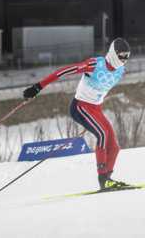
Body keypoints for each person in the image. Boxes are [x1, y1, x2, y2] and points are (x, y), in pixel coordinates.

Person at [23, 38, 131, 190]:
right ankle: (102, 179)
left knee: (114, 146)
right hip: (80, 106)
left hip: (95, 109)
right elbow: (64, 71)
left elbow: (101, 89)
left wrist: (93, 119)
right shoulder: (95, 65)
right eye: (122, 56)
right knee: (103, 135)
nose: (124, 60)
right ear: (113, 53)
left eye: (127, 56)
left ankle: (108, 178)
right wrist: (37, 87)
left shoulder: (120, 71)